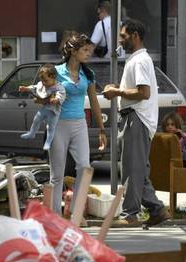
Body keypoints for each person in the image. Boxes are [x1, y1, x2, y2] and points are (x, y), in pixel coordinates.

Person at [103, 19, 170, 226]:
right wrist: (118, 88)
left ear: (135, 36)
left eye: (123, 36)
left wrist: (116, 91)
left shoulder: (140, 60)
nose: (121, 41)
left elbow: (143, 92)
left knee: (132, 170)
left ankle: (129, 214)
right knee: (137, 169)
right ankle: (157, 209)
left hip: (137, 118)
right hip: (135, 118)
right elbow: (138, 90)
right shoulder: (137, 59)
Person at [50, 31, 107, 215]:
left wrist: (101, 129)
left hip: (79, 123)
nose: (88, 53)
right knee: (57, 174)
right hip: (58, 124)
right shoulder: (56, 72)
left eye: (89, 50)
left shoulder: (88, 74)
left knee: (84, 167)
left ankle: (75, 213)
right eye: (85, 50)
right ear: (74, 51)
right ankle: (55, 216)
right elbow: (42, 95)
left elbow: (95, 101)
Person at [19, 63, 66, 150]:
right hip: (45, 108)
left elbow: (61, 95)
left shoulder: (59, 87)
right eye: (42, 81)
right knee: (36, 119)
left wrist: (56, 99)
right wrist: (26, 88)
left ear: (53, 77)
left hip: (54, 112)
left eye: (46, 81)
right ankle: (32, 133)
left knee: (51, 127)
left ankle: (48, 142)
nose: (44, 83)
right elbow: (34, 87)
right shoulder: (42, 84)